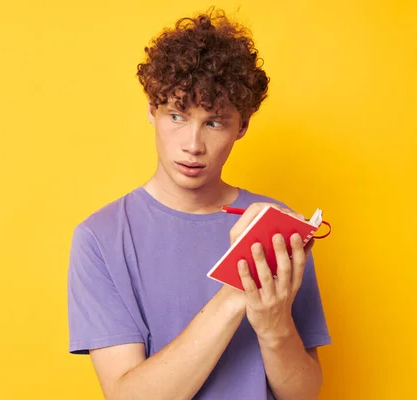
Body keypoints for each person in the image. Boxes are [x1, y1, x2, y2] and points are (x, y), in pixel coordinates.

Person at [67, 9, 331, 400]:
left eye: (214, 122)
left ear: (242, 126)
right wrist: (239, 290)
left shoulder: (276, 227)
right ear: (151, 112)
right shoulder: (101, 237)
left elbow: (305, 394)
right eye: (176, 115)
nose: (192, 144)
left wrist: (274, 324)